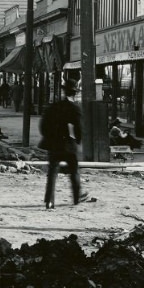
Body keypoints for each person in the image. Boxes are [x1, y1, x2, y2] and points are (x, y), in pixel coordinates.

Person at [39, 79, 87, 209]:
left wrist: (49, 137)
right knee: (74, 171)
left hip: (54, 145)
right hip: (69, 145)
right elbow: (78, 128)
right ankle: (76, 198)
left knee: (52, 173)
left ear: (64, 91)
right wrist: (77, 141)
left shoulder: (53, 107)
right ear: (75, 93)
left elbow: (43, 126)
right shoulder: (75, 108)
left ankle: (49, 201)